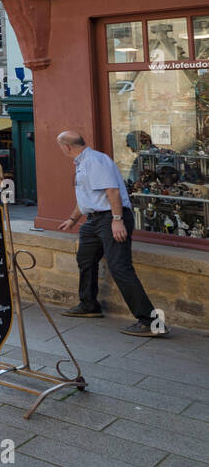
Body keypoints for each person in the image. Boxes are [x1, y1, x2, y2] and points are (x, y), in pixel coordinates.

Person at [55, 131, 164, 336]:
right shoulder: (81, 163)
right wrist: (72, 219)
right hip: (93, 220)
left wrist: (117, 220)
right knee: (85, 259)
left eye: (60, 147)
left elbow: (112, 192)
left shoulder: (96, 160)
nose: (60, 151)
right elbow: (87, 197)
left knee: (119, 267)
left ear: (67, 147)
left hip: (110, 218)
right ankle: (88, 304)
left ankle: (149, 321)